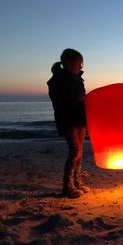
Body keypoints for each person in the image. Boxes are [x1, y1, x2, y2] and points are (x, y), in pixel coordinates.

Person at [47, 48, 90, 199]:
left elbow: (81, 98)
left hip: (79, 119)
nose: (80, 67)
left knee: (79, 152)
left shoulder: (78, 78)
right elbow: (58, 102)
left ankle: (77, 182)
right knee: (74, 151)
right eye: (77, 64)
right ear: (67, 64)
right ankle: (67, 186)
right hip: (67, 119)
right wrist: (76, 100)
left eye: (81, 65)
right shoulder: (57, 80)